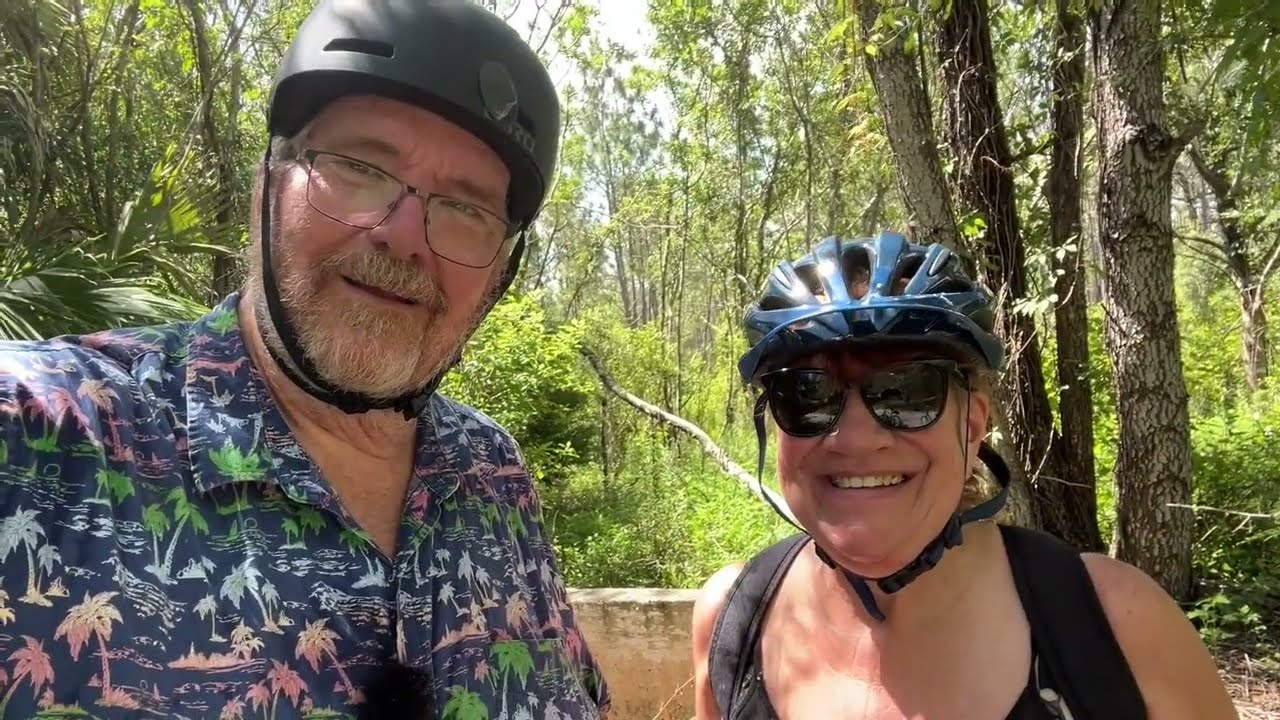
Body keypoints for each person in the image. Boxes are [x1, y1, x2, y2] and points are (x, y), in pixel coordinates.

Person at [0, 1, 611, 718]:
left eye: (467, 208)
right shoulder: (44, 436)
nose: (405, 236)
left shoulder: (493, 473)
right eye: (359, 167)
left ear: (499, 273)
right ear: (268, 185)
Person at [690, 231, 1238, 719]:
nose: (855, 439)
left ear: (973, 424)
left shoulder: (1117, 627)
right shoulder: (733, 624)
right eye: (805, 395)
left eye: (908, 392)